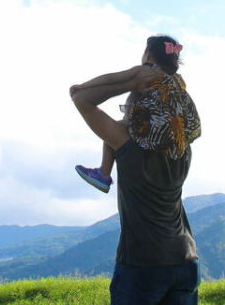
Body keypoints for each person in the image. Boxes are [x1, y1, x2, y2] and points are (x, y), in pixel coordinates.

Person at [70, 35, 221, 305]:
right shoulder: (182, 149)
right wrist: (151, 83)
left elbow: (82, 98)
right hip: (183, 257)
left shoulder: (127, 146)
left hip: (140, 261)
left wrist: (133, 78)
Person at [74, 36, 201, 193]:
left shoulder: (145, 70)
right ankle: (103, 173)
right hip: (168, 138)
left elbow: (111, 78)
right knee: (124, 122)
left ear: (147, 53)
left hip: (146, 133)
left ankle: (103, 173)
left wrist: (83, 86)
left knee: (118, 126)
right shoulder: (177, 80)